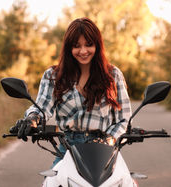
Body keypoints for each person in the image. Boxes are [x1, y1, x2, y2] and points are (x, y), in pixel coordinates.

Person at [10, 17, 132, 167]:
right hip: (67, 148)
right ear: (68, 48)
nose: (83, 51)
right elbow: (42, 106)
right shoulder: (53, 75)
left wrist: (109, 139)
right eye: (76, 46)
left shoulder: (112, 75)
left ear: (97, 45)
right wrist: (32, 118)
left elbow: (123, 119)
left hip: (104, 149)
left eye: (89, 45)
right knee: (52, 182)